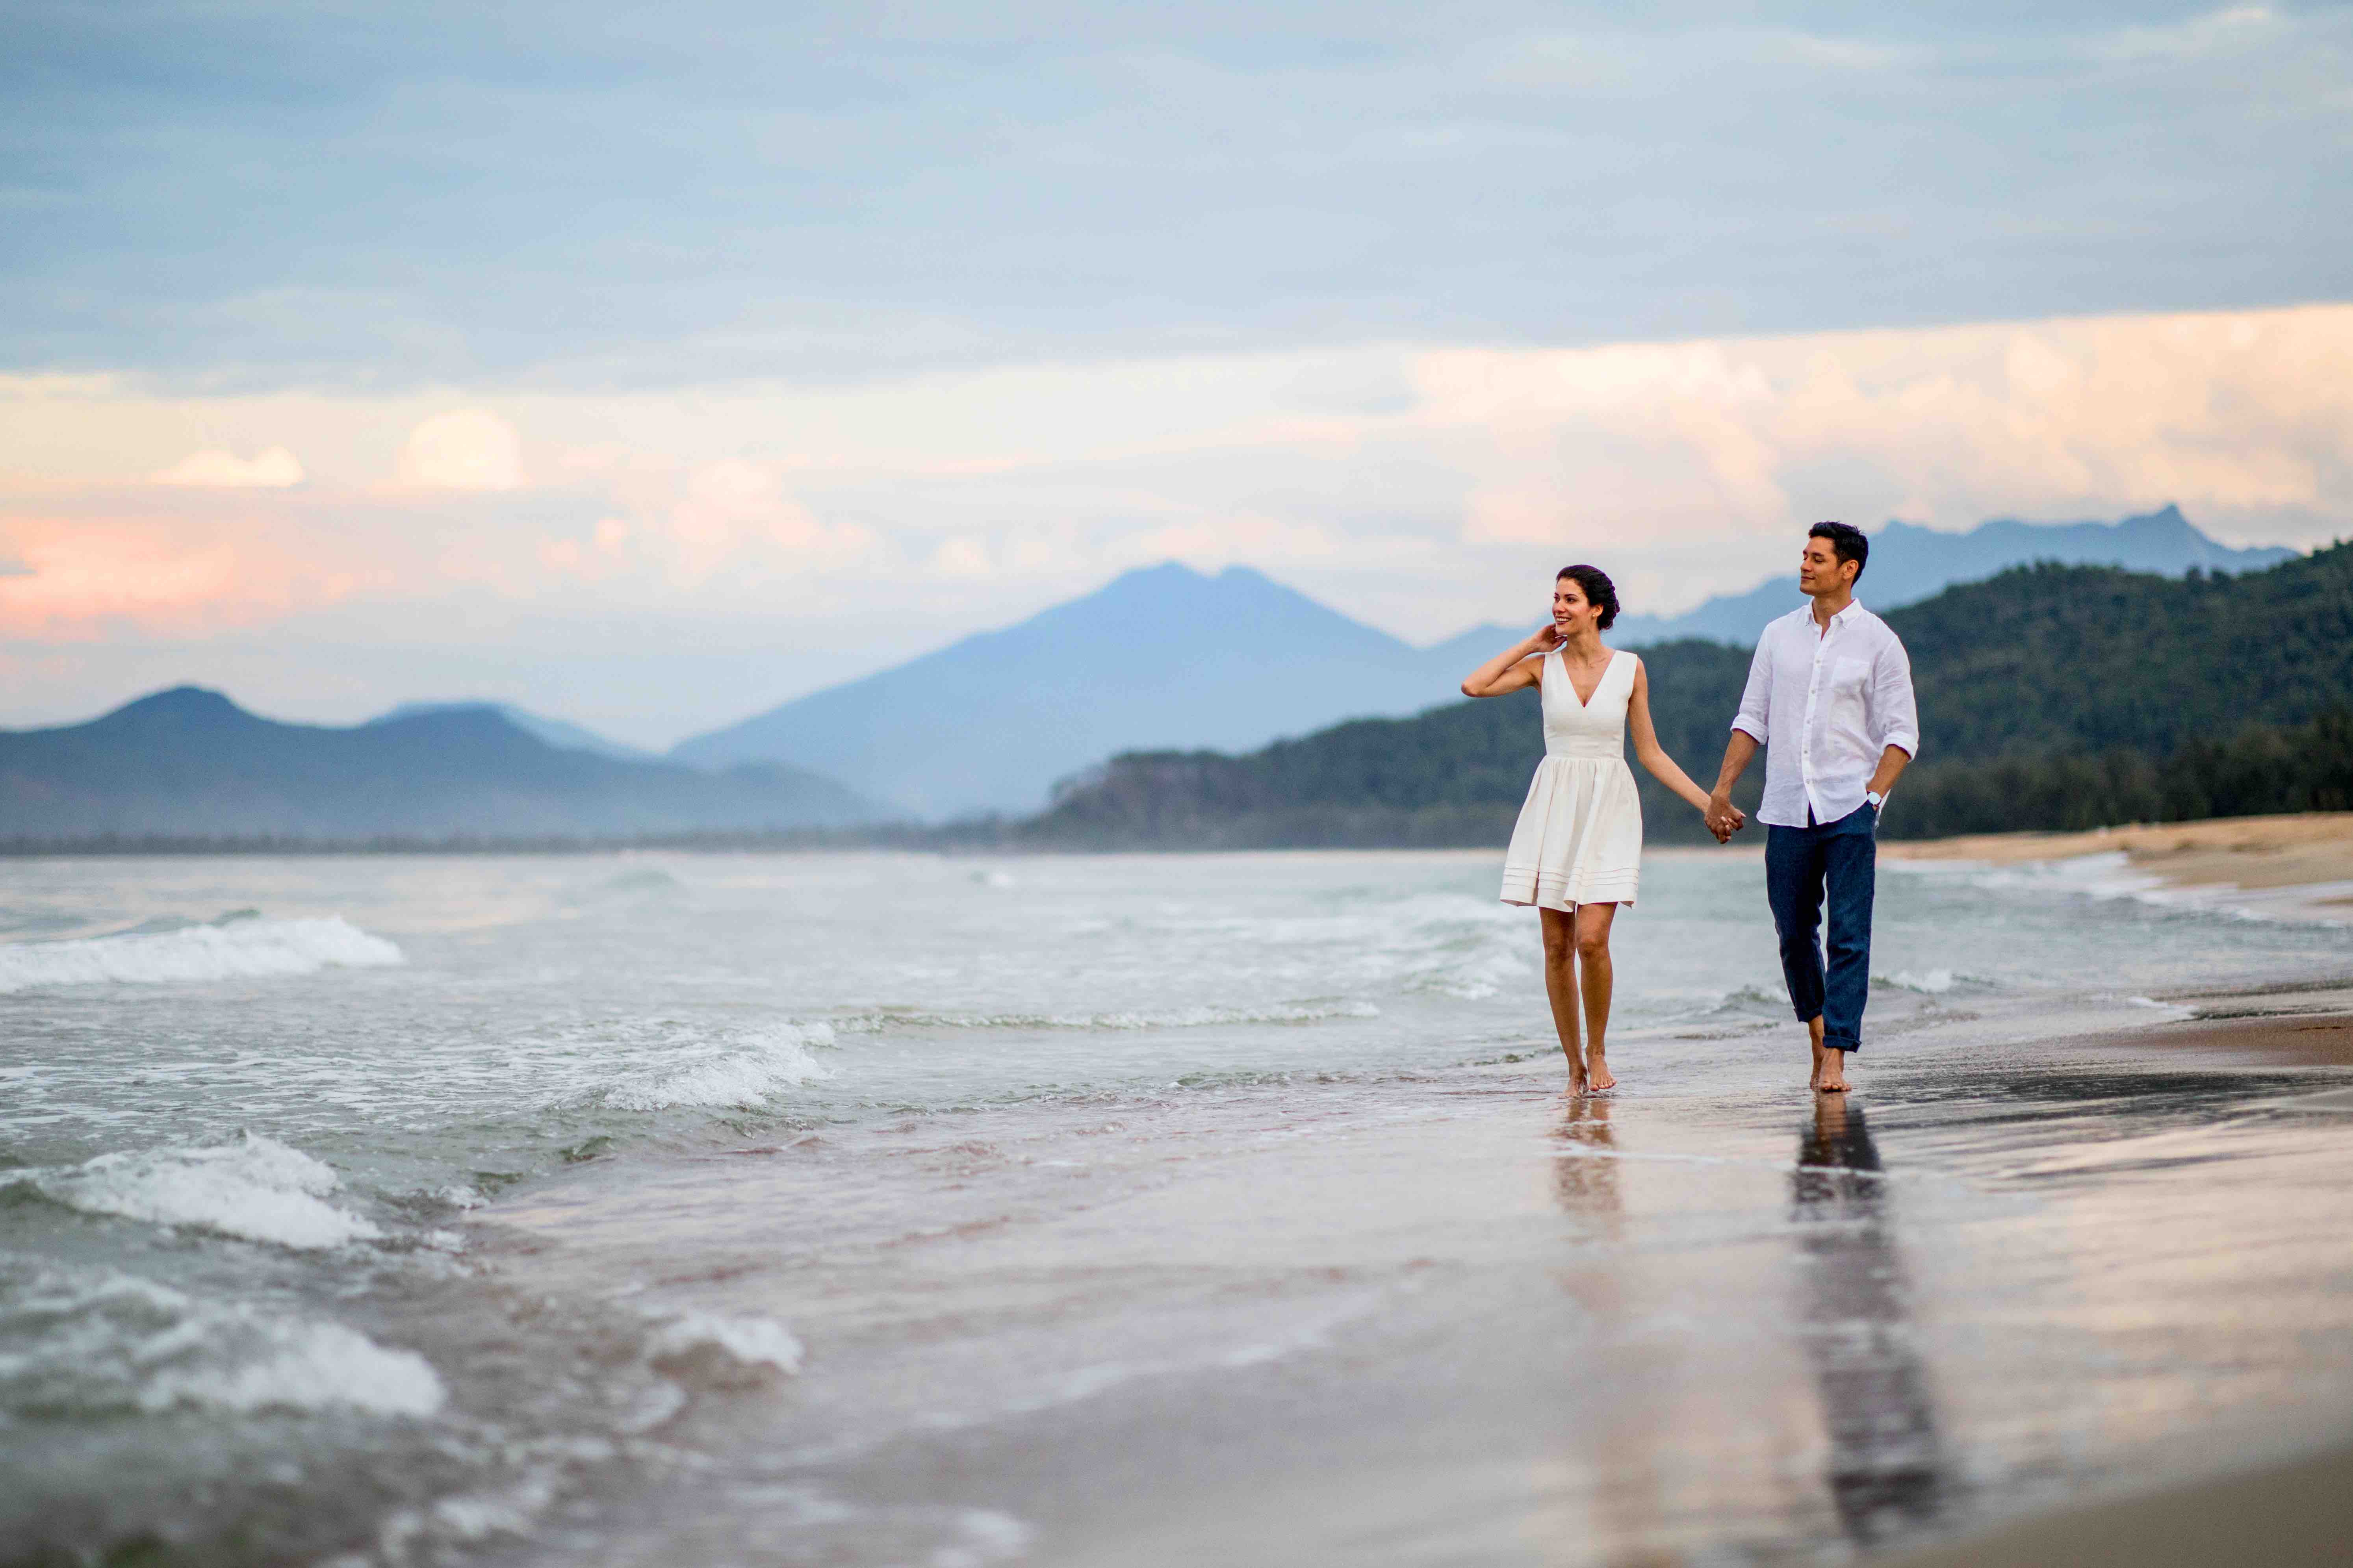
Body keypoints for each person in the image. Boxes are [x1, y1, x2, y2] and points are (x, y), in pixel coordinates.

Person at [1462, 565, 1736, 1095]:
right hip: (1554, 805)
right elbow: (1473, 685)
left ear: (1597, 609)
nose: (1558, 607)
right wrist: (1529, 644)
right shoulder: (1541, 668)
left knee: (1591, 939)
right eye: (1554, 599)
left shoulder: (1630, 668)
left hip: (1609, 804)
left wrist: (1710, 804)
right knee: (1556, 944)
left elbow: (1651, 753)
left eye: (1569, 599)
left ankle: (1598, 1048)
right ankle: (1572, 1067)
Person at [1705, 523, 1919, 1094]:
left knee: (1848, 935)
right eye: (1803, 554)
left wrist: (1872, 796)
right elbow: (1751, 718)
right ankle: (1818, 1033)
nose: (1804, 564)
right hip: (1785, 808)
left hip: (1849, 806)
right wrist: (1722, 789)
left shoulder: (1878, 641)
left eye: (1816, 557)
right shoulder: (1777, 636)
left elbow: (1902, 734)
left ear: (1847, 569)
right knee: (1793, 932)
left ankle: (1835, 1058)